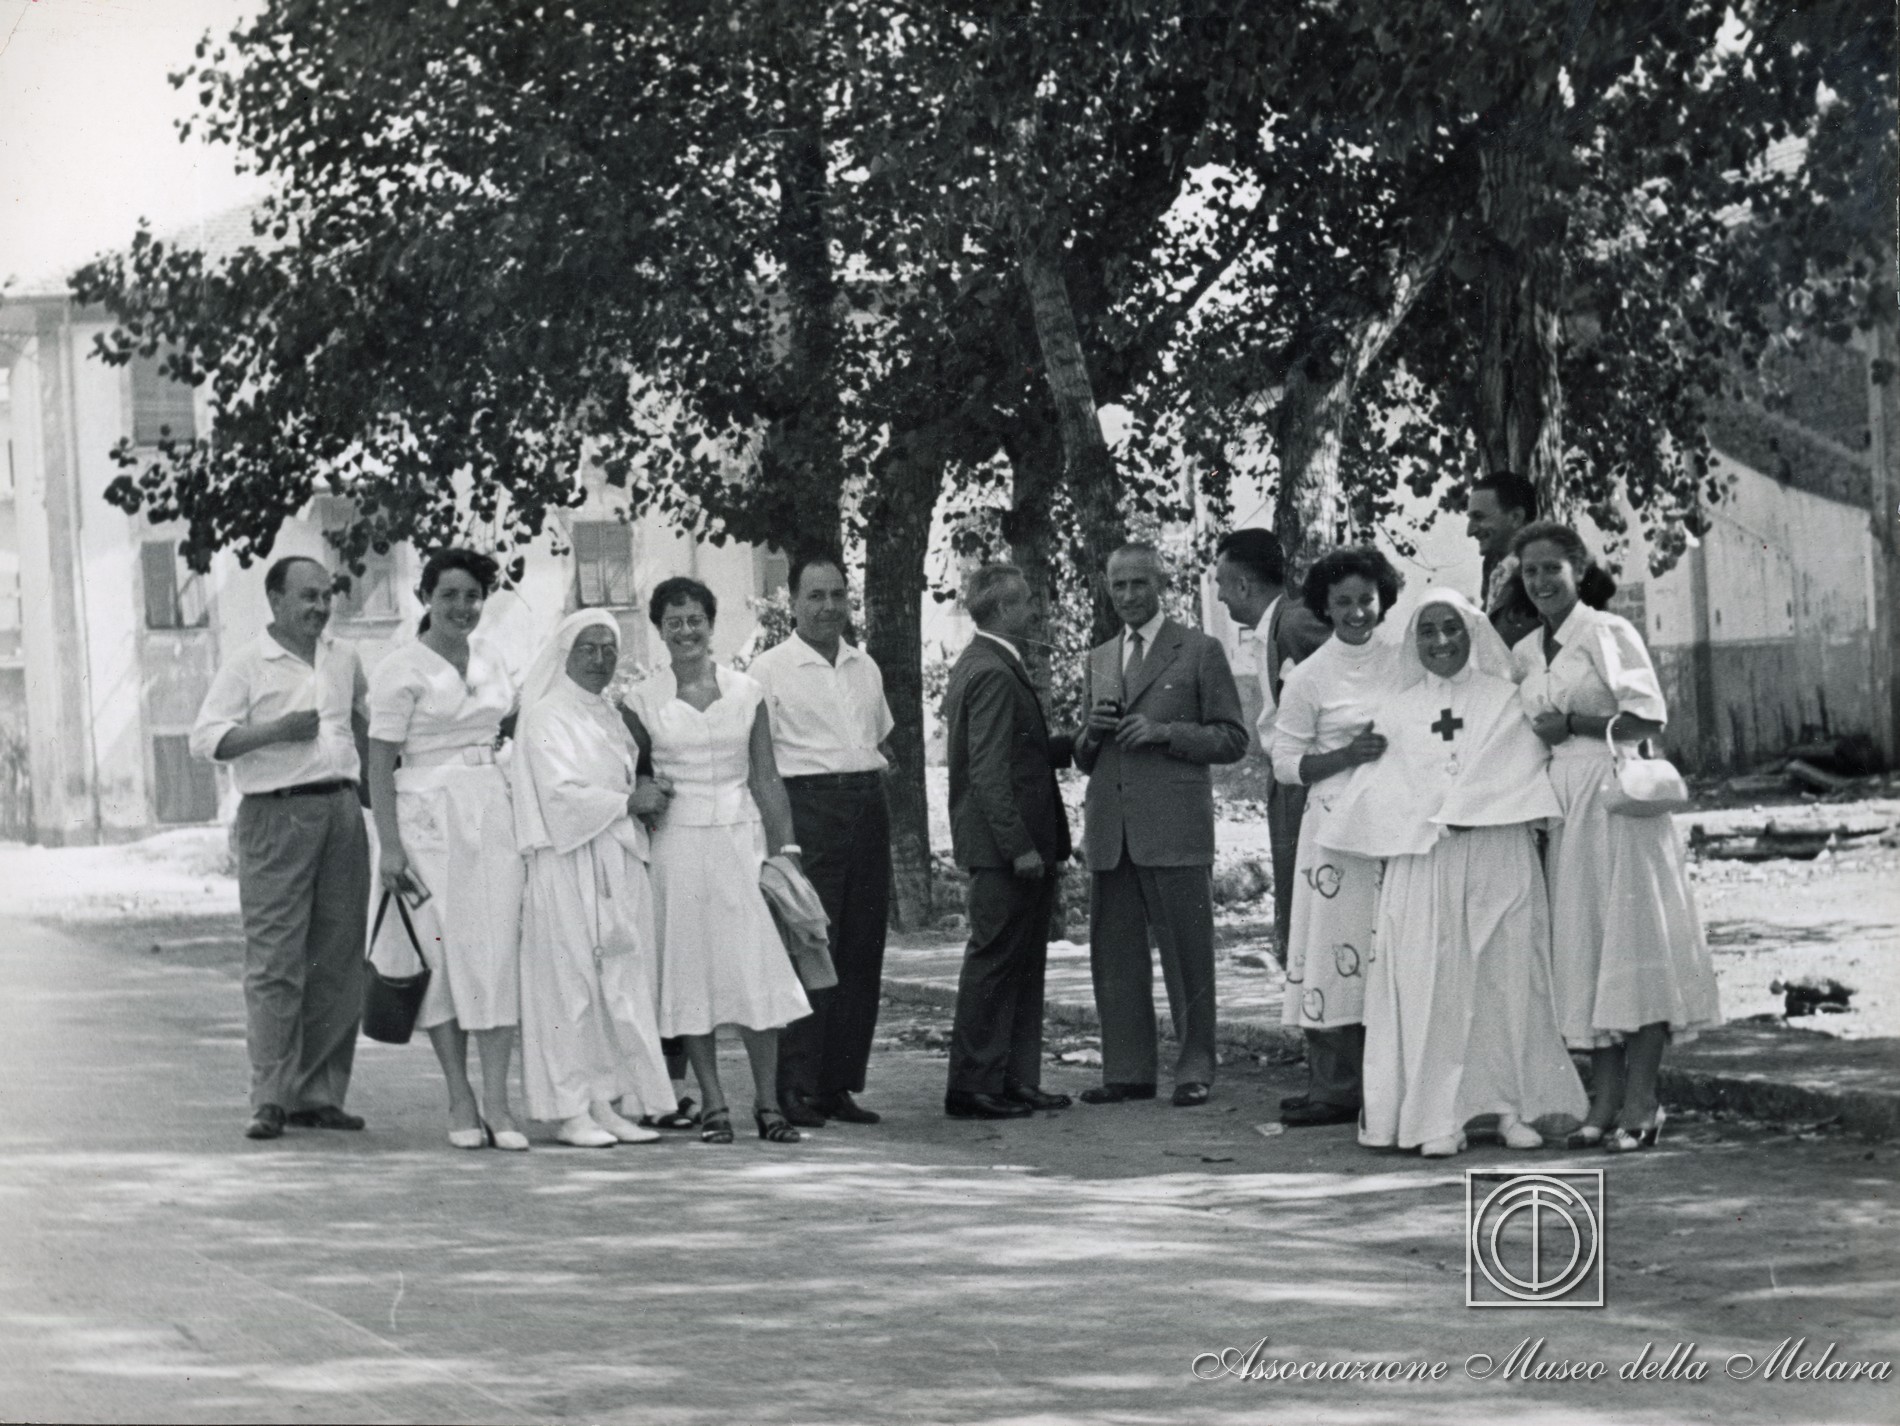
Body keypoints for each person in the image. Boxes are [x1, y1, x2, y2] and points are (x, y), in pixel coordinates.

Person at [1323, 590, 1587, 1156]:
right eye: (1427, 631)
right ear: (1413, 642)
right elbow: (1384, 786)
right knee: (1432, 987)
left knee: (1507, 979)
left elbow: (1516, 763)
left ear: (1472, 632)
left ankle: (1510, 1109)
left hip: (1497, 849)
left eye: (1451, 628)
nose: (1441, 641)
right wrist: (1430, 813)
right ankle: (1438, 1117)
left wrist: (1466, 808)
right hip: (1426, 862)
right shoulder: (1397, 710)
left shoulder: (1504, 698)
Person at [1509, 521, 1719, 1152]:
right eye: (1529, 571)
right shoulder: (1526, 651)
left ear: (1578, 570)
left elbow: (1648, 717)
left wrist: (1574, 723)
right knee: (1586, 950)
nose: (1540, 581)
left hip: (1617, 798)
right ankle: (1602, 1100)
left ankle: (1642, 1099)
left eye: (1552, 568)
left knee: (1632, 942)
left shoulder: (1606, 631)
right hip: (1562, 807)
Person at [622, 577, 812, 1145]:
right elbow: (628, 774)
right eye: (673, 622)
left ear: (711, 624)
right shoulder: (641, 701)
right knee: (691, 973)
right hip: (676, 846)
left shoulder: (748, 692)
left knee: (754, 971)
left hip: (739, 842)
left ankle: (767, 1103)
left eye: (695, 620)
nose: (686, 631)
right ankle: (713, 1103)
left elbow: (766, 778)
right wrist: (644, 791)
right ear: (660, 631)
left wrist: (787, 851)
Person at [191, 555, 373, 1141]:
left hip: (341, 810)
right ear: (275, 599)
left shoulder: (344, 657)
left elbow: (361, 723)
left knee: (337, 961)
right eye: (307, 596)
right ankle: (269, 1097)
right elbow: (205, 739)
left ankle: (316, 1096)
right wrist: (275, 731)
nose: (320, 606)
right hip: (277, 813)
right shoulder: (249, 662)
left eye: (326, 595)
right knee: (276, 962)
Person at [1075, 543, 1249, 1108]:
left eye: (1139, 584)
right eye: (1118, 585)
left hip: (1175, 828)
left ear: (1161, 586)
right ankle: (1127, 1071)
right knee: (1115, 954)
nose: (1128, 596)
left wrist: (1165, 734)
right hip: (1112, 830)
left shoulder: (1199, 650)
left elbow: (1233, 739)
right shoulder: (1100, 657)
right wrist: (1092, 732)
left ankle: (1195, 1067)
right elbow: (1084, 756)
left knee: (1187, 955)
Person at [365, 549, 528, 1150]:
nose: (462, 607)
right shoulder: (399, 668)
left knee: (496, 953)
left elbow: (511, 726)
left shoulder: (492, 658)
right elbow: (379, 763)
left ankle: (499, 1103)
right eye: (449, 595)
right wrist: (390, 847)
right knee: (442, 956)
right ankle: (460, 1097)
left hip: (491, 810)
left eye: (473, 596)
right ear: (425, 598)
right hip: (426, 820)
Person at [511, 610, 676, 1148]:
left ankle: (604, 1101)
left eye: (609, 648)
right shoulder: (546, 714)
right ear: (566, 654)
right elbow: (559, 797)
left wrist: (643, 795)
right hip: (566, 862)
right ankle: (568, 1109)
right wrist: (629, 803)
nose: (601, 659)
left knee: (612, 989)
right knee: (569, 988)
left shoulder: (606, 712)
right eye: (589, 648)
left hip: (610, 855)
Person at [748, 551, 895, 1129]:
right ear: (792, 603)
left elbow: (877, 741)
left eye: (837, 594)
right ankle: (794, 1085)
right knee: (808, 944)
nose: (828, 606)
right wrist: (780, 839)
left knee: (861, 947)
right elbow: (758, 763)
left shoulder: (865, 665)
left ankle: (838, 1084)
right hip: (807, 810)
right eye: (815, 596)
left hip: (866, 807)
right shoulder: (768, 671)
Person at [1267, 544, 1404, 1128]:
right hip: (1332, 827)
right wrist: (1348, 754)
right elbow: (1284, 764)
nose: (1356, 612)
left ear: (1383, 600)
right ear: (1324, 606)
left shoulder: (1405, 662)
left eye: (1366, 599)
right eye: (1343, 601)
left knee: (1385, 949)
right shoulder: (1309, 676)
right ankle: (1333, 1086)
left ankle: (1384, 1083)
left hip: (1392, 821)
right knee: (1330, 949)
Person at [940, 563, 1074, 1120]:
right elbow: (989, 771)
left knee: (1019, 964)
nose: (1035, 611)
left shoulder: (986, 661)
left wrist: (1072, 742)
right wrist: (1018, 846)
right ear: (1002, 609)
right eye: (1025, 602)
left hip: (1010, 846)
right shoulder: (994, 670)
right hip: (1005, 851)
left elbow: (1018, 753)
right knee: (995, 964)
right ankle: (974, 1085)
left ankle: (1014, 1078)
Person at [1212, 528, 1332, 967]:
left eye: (1222, 584)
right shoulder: (1274, 626)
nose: (1220, 597)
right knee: (1295, 904)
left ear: (1244, 585)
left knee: (1313, 907)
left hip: (1311, 784)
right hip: (1288, 784)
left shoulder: (1296, 622)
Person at [1465, 470, 1542, 650]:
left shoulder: (1544, 576)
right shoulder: (1495, 574)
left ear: (1515, 517)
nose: (1469, 531)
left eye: (1479, 517)